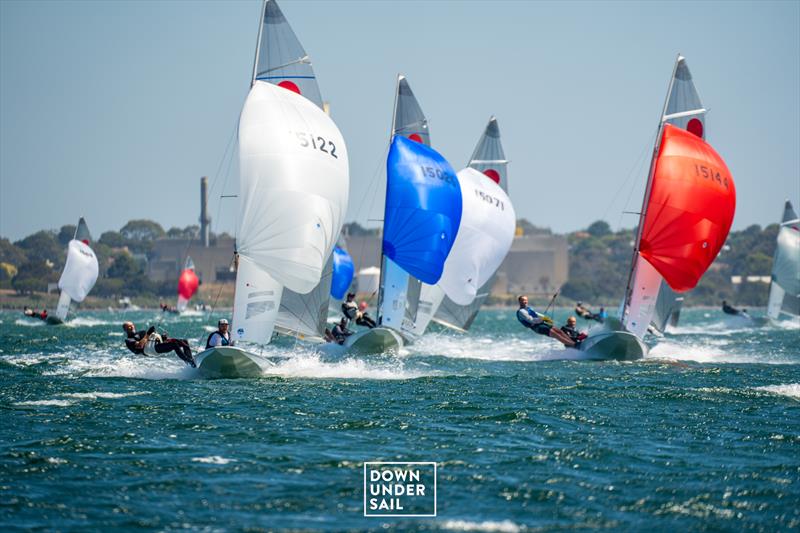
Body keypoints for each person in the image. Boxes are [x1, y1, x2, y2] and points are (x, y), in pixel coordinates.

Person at [122, 321, 196, 367]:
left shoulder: (141, 332)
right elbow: (140, 346)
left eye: (132, 325)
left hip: (156, 345)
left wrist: (163, 338)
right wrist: (148, 334)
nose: (131, 327)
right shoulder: (129, 340)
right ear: (125, 329)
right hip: (149, 350)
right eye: (129, 326)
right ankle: (189, 361)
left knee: (184, 342)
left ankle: (190, 360)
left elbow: (151, 339)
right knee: (174, 344)